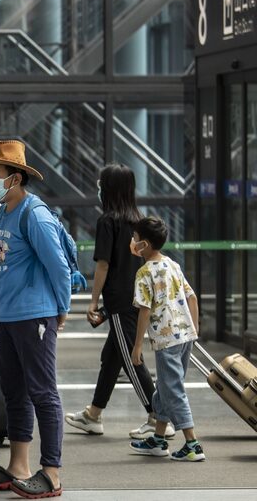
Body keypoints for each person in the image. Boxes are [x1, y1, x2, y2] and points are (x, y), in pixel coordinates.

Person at [0, 139, 69, 499]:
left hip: (35, 316)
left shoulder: (34, 213)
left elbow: (57, 266)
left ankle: (52, 473)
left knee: (43, 393)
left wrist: (61, 309)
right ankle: (18, 467)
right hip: (7, 316)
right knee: (14, 393)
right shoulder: (2, 213)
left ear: (15, 178)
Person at [65, 164, 174, 439]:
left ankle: (157, 416)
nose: (98, 188)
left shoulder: (108, 221)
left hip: (119, 300)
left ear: (109, 189)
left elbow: (103, 265)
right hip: (136, 296)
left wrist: (93, 302)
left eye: (101, 184)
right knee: (112, 358)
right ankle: (93, 414)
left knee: (131, 358)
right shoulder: (138, 220)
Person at [129, 216, 205, 462]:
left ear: (145, 245)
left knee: (173, 390)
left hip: (167, 342)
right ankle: (159, 440)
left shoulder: (144, 273)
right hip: (184, 336)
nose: (133, 242)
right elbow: (191, 296)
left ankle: (192, 444)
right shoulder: (172, 264)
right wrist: (194, 329)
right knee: (165, 387)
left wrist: (138, 345)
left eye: (136, 239)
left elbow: (144, 309)